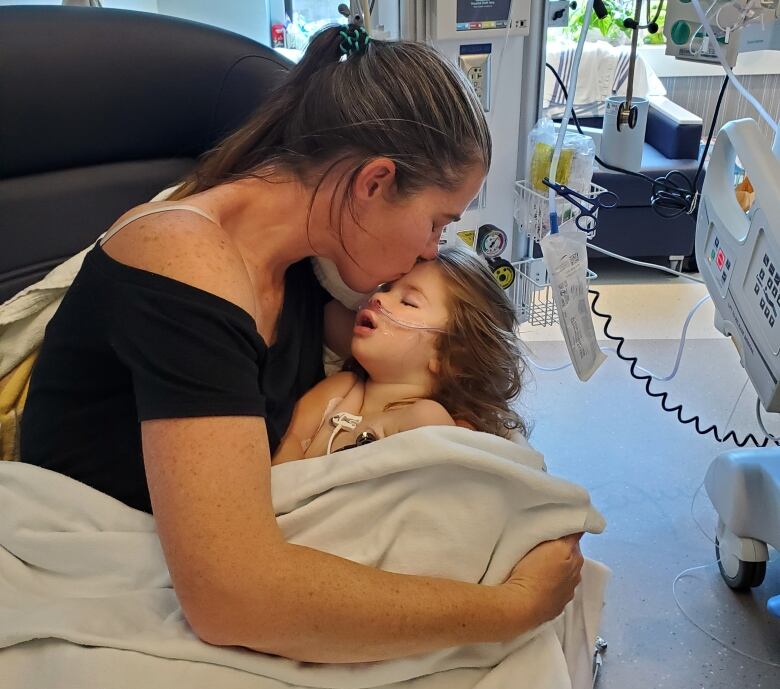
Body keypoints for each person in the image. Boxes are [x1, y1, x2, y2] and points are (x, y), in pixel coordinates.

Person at [20, 24, 584, 663]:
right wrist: (509, 608)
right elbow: (232, 598)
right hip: (111, 563)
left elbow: (442, 369)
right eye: (437, 222)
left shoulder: (316, 261)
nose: (433, 250)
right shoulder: (185, 261)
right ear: (372, 184)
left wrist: (518, 508)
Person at [272, 246, 526, 463]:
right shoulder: (341, 389)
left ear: (453, 357)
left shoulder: (436, 421)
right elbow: (289, 442)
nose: (379, 297)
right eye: (387, 287)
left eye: (408, 302)